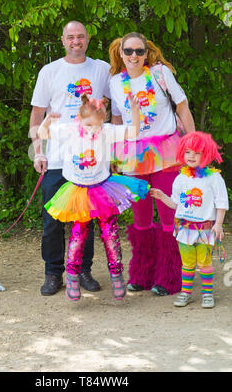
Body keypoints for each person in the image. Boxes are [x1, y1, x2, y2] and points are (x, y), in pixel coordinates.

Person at [38, 93, 150, 301]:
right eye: (89, 125)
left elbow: (133, 131)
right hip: (78, 191)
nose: (94, 130)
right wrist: (48, 120)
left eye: (98, 125)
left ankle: (117, 275)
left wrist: (135, 110)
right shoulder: (70, 131)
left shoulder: (106, 132)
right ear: (80, 120)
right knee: (78, 233)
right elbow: (42, 134)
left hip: (102, 188)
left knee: (110, 233)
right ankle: (72, 277)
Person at [109, 32, 195, 296]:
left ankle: (170, 277)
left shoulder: (160, 74)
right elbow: (116, 120)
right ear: (120, 53)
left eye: (139, 51)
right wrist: (114, 155)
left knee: (169, 215)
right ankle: (142, 274)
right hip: (133, 154)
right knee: (141, 218)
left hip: (166, 150)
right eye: (129, 51)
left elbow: (182, 107)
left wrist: (192, 144)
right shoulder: (115, 82)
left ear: (146, 54)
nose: (134, 56)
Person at [30, 21, 111, 296]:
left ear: (88, 39)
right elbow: (37, 114)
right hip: (55, 158)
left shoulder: (101, 69)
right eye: (71, 37)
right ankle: (53, 273)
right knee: (52, 218)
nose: (76, 41)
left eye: (81, 37)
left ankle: (83, 270)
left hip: (89, 159)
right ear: (63, 40)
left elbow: (119, 105)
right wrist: (37, 151)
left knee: (84, 218)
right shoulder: (50, 71)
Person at [150, 131, 229, 308]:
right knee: (187, 263)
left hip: (205, 230)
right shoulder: (180, 178)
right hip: (184, 230)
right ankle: (186, 293)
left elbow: (221, 203)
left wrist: (218, 224)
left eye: (197, 152)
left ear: (206, 154)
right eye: (188, 152)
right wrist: (163, 197)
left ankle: (207, 295)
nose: (191, 156)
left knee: (204, 263)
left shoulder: (214, 178)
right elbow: (176, 204)